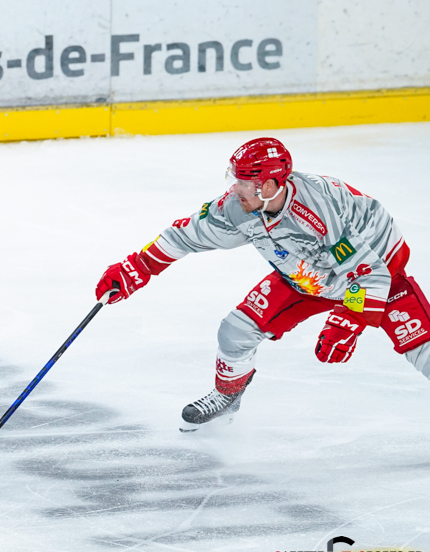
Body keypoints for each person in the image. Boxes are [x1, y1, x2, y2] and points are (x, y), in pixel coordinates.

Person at [95, 137, 430, 431]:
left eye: (244, 182)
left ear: (269, 186)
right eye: (234, 179)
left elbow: (368, 273)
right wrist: (138, 267)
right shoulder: (238, 207)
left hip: (377, 273)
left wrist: (349, 320)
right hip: (306, 277)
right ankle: (227, 396)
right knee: (235, 332)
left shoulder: (319, 209)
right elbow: (186, 235)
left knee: (422, 348)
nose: (234, 189)